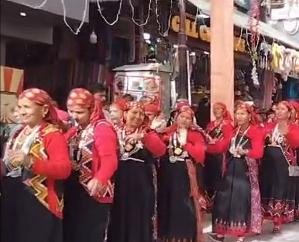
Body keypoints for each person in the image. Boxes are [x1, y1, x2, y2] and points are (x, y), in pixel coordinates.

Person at [1, 88, 71, 242]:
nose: (22, 111)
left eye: (27, 107)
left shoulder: (53, 135)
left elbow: (64, 169)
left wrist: (30, 162)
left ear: (44, 110)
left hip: (38, 203)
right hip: (13, 197)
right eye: (20, 107)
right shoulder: (18, 132)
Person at [63, 88, 118, 242]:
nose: (74, 116)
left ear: (91, 109)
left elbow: (110, 160)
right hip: (75, 190)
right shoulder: (75, 131)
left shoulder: (102, 129)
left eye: (79, 112)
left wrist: (100, 178)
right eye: (71, 111)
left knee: (90, 233)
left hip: (94, 193)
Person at [107, 101, 166, 242]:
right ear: (125, 114)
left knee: (138, 216)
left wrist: (143, 138)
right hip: (118, 183)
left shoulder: (147, 133)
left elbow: (161, 150)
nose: (138, 117)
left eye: (141, 114)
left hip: (140, 185)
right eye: (134, 112)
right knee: (117, 214)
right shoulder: (114, 131)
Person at [209, 102, 264, 242]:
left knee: (240, 199)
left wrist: (245, 151)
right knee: (224, 198)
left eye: (242, 114)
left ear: (249, 116)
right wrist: (207, 146)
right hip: (231, 167)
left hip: (245, 169)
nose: (239, 117)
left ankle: (240, 233)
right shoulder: (233, 131)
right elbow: (222, 146)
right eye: (237, 114)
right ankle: (221, 232)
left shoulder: (255, 131)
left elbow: (258, 152)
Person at [158, 105, 206, 242]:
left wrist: (185, 144)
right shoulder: (166, 133)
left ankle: (183, 237)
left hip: (184, 173)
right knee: (167, 202)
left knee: (183, 204)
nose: (184, 120)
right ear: (175, 117)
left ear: (192, 121)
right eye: (182, 117)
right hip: (167, 173)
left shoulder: (196, 135)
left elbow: (199, 155)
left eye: (188, 118)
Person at [260, 101, 299, 232]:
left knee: (280, 189)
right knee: (266, 187)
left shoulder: (293, 127)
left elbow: (295, 144)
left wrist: (286, 131)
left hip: (284, 164)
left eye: (282, 109)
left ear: (289, 113)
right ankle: (262, 217)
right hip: (268, 163)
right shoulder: (270, 126)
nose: (278, 111)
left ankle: (278, 220)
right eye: (277, 109)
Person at [204, 102, 233, 199]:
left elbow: (227, 140)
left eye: (218, 108)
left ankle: (219, 200)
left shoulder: (226, 125)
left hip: (219, 156)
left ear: (223, 110)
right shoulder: (210, 124)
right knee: (209, 177)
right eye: (214, 108)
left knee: (218, 177)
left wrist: (217, 146)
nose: (215, 110)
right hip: (208, 155)